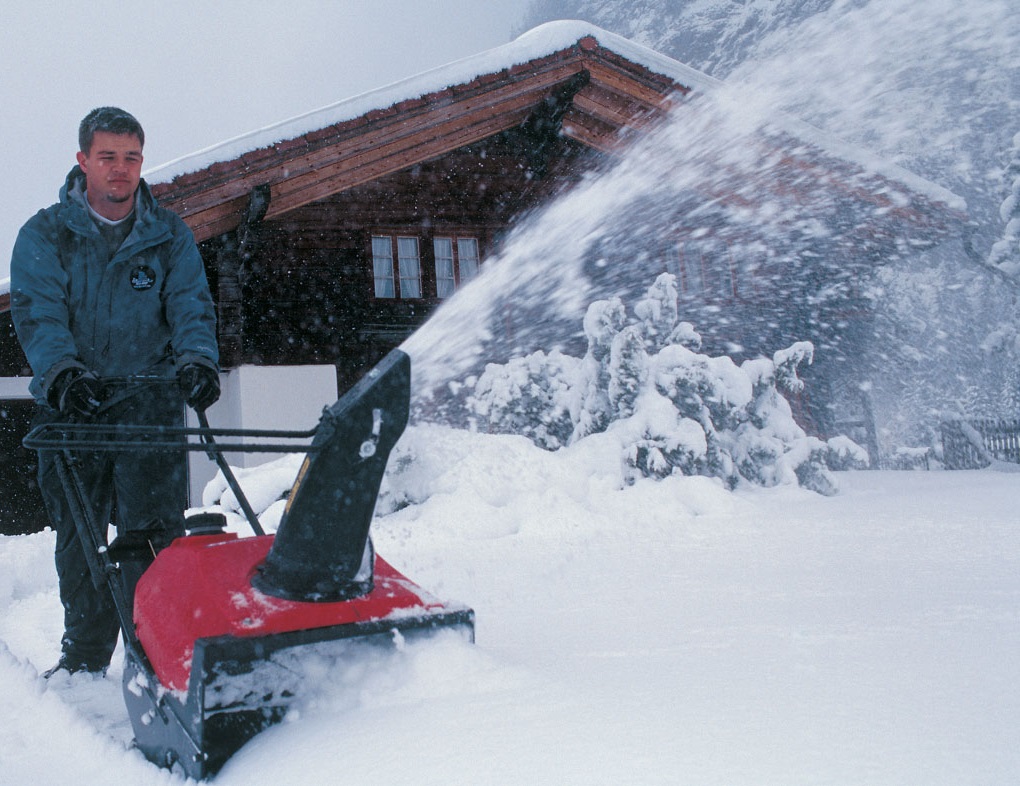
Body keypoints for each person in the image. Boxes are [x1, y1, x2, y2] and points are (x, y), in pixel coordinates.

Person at [10, 107, 220, 677]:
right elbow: (38, 313)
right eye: (108, 157)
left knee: (154, 535)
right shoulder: (45, 234)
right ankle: (83, 657)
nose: (120, 170)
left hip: (149, 401)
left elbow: (190, 306)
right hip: (73, 405)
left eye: (131, 157)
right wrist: (62, 375)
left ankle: (153, 654)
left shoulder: (168, 235)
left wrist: (198, 360)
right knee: (80, 537)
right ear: (83, 162)